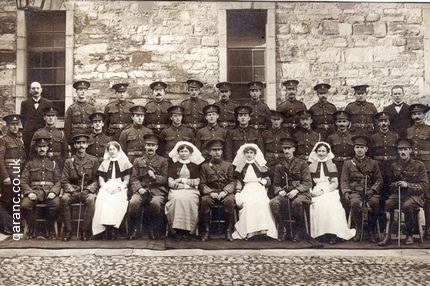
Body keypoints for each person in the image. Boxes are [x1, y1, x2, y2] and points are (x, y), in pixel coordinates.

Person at [378, 138, 429, 246]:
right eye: (400, 149)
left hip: (416, 196)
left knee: (407, 206)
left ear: (410, 150)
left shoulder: (419, 165)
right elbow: (389, 184)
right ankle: (388, 235)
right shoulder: (394, 166)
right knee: (387, 204)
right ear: (397, 151)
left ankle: (409, 234)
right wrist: (395, 185)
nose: (403, 152)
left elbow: (424, 186)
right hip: (399, 194)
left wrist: (408, 185)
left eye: (405, 149)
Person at [308, 142, 356, 245]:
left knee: (332, 206)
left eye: (323, 151)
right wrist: (312, 192)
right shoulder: (311, 165)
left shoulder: (332, 165)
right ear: (316, 152)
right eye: (319, 151)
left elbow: (335, 183)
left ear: (327, 152)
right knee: (317, 206)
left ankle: (333, 234)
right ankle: (320, 234)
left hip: (329, 189)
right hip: (316, 189)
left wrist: (323, 191)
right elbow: (309, 182)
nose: (321, 153)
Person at [340, 135, 382, 243]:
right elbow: (344, 180)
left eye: (362, 147)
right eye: (357, 147)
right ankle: (358, 230)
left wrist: (372, 190)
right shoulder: (348, 163)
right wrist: (346, 192)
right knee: (354, 203)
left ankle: (371, 231)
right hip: (355, 192)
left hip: (369, 191)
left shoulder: (373, 163)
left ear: (366, 149)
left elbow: (379, 180)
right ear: (354, 148)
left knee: (375, 203)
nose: (359, 149)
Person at [232, 143, 277, 240]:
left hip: (259, 188)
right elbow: (239, 181)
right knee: (248, 204)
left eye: (251, 152)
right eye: (247, 152)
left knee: (263, 203)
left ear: (254, 154)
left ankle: (264, 230)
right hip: (247, 188)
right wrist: (238, 191)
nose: (249, 155)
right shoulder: (240, 166)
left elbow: (268, 181)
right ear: (244, 154)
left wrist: (263, 181)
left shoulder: (261, 165)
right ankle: (250, 231)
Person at [270, 137, 312, 242]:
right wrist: (280, 191)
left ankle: (297, 230)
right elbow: (276, 184)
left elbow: (307, 183)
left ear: (294, 149)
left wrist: (296, 190)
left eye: (289, 148)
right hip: (286, 194)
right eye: (284, 148)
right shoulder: (279, 165)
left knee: (297, 203)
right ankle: (283, 228)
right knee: (273, 203)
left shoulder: (302, 163)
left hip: (301, 194)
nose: (286, 151)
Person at [20, 133, 61, 239]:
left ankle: (48, 227)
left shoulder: (53, 163)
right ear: (36, 148)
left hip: (49, 192)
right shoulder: (30, 164)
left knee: (56, 204)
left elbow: (59, 181)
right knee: (24, 205)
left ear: (47, 148)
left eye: (44, 146)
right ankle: (35, 228)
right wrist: (29, 192)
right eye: (39, 147)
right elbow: (23, 181)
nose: (42, 149)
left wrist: (54, 192)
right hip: (35, 192)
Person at [129, 134, 168, 240]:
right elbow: (133, 178)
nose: (150, 147)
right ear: (145, 146)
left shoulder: (163, 161)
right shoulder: (138, 161)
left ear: (157, 147)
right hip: (142, 189)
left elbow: (165, 179)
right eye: (148, 145)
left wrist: (155, 177)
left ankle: (153, 229)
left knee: (155, 203)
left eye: (153, 145)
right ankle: (135, 229)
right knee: (133, 202)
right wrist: (138, 188)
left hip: (157, 190)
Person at [60, 134, 99, 241]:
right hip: (73, 190)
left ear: (87, 145)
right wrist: (72, 191)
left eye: (83, 143)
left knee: (91, 200)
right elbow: (64, 180)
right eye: (78, 143)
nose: (81, 145)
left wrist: (88, 190)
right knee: (64, 199)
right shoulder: (69, 161)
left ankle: (84, 231)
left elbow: (97, 180)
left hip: (87, 190)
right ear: (75, 146)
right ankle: (68, 231)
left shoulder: (93, 160)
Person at [92, 141, 132, 240]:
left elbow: (126, 180)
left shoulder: (125, 162)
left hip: (120, 185)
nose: (112, 151)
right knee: (103, 199)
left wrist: (119, 188)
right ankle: (106, 229)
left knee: (116, 200)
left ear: (118, 150)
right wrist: (106, 188)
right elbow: (101, 179)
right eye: (110, 149)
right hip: (107, 185)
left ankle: (114, 229)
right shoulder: (104, 162)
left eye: (114, 149)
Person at [165, 141, 205, 241]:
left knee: (190, 200)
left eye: (186, 151)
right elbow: (171, 183)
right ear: (178, 153)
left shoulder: (195, 166)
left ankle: (189, 231)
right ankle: (177, 231)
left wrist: (182, 180)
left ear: (190, 153)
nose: (183, 153)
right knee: (176, 200)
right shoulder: (174, 165)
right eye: (181, 151)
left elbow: (197, 181)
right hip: (175, 191)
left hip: (191, 191)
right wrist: (185, 184)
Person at [199, 139, 236, 241]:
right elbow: (202, 184)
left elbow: (232, 182)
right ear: (209, 152)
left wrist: (225, 192)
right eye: (214, 150)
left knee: (229, 201)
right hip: (211, 193)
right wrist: (211, 192)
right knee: (204, 201)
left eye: (219, 150)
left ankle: (228, 231)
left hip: (225, 193)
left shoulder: (228, 165)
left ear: (222, 151)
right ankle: (206, 231)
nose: (217, 152)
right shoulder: (204, 166)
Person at [406, 103, 430, 239]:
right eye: (414, 114)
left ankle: (428, 228)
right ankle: (415, 227)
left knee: (428, 198)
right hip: (412, 168)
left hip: (427, 167)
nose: (417, 117)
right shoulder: (408, 131)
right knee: (412, 196)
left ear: (424, 115)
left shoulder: (428, 130)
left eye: (419, 114)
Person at [0, 114, 27, 219]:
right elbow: (0, 159)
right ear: (7, 126)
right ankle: (4, 226)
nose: (15, 127)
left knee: (15, 200)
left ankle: (12, 225)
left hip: (18, 174)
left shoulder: (19, 141)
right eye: (12, 125)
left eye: (17, 124)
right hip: (9, 175)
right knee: (6, 201)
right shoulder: (3, 140)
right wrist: (5, 176)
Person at [20, 81, 52, 156]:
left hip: (43, 133)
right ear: (30, 91)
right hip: (29, 134)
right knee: (29, 154)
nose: (36, 90)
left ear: (41, 90)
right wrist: (28, 128)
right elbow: (23, 118)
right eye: (33, 88)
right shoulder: (25, 103)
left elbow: (49, 117)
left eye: (38, 88)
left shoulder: (48, 103)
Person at [64, 81, 96, 145]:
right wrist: (68, 143)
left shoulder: (92, 108)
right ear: (76, 92)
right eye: (80, 89)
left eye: (85, 90)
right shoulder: (71, 108)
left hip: (89, 138)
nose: (83, 91)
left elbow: (96, 125)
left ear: (87, 92)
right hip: (76, 138)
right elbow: (67, 127)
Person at [326, 111, 354, 178]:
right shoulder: (331, 137)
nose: (342, 124)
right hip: (336, 165)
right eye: (339, 121)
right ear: (336, 123)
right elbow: (328, 154)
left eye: (344, 121)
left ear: (348, 123)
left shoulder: (353, 137)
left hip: (349, 165)